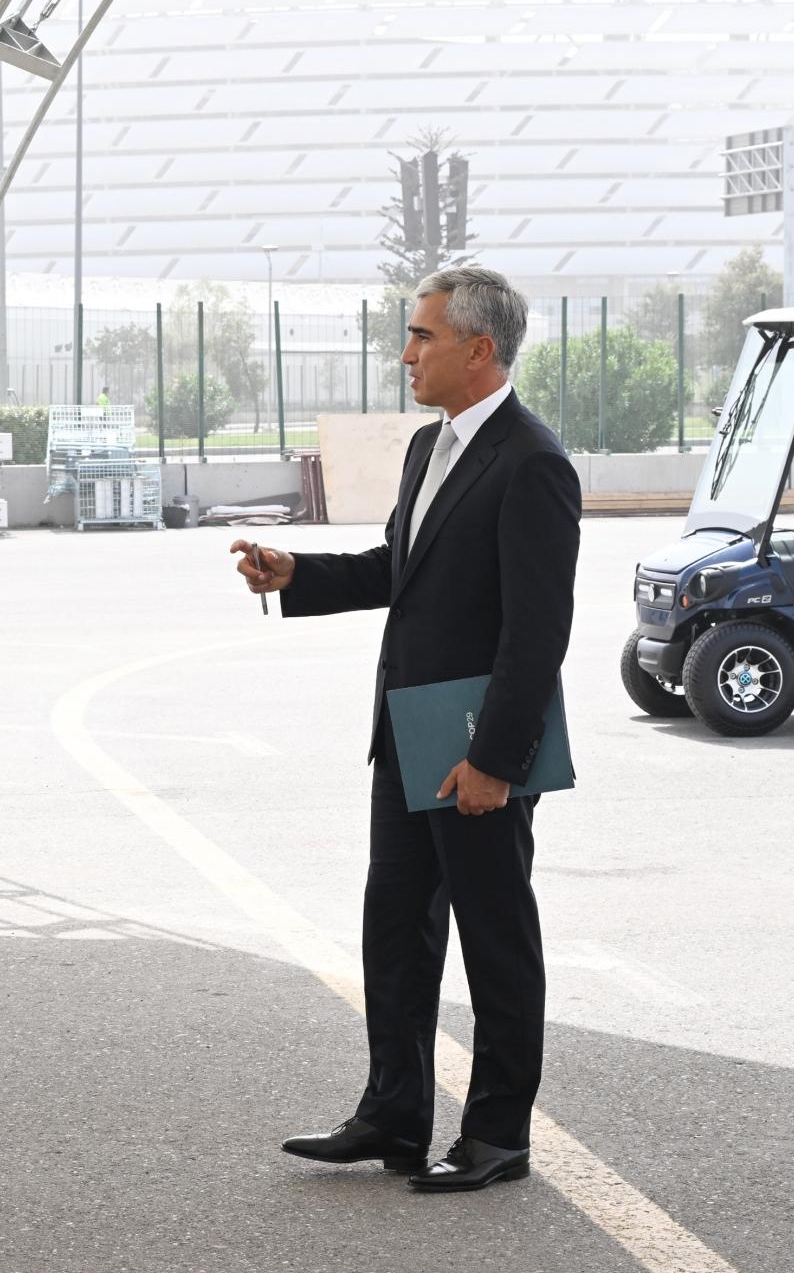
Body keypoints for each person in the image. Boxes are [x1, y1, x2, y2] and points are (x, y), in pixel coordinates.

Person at [232, 267, 580, 1193]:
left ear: (479, 347)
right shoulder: (431, 446)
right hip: (406, 735)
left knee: (495, 939)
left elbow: (538, 632)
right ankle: (393, 1116)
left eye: (422, 336)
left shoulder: (533, 462)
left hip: (474, 747)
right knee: (395, 930)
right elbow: (402, 567)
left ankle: (497, 1136)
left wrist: (495, 762)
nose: (406, 353)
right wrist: (294, 573)